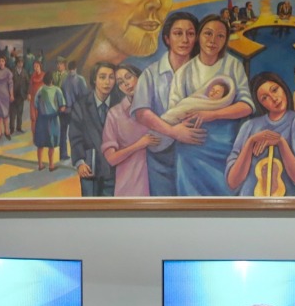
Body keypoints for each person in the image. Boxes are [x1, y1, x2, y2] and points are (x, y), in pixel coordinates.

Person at [166, 14, 254, 196]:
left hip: (225, 146)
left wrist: (213, 114)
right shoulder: (184, 72)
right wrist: (180, 130)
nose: (213, 40)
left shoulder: (233, 65)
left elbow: (247, 106)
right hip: (191, 147)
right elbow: (174, 113)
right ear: (199, 36)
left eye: (220, 36)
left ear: (225, 40)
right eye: (208, 33)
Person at [131, 11, 200, 197]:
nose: (184, 40)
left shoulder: (203, 72)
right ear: (167, 39)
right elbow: (142, 113)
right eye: (178, 33)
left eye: (190, 34)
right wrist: (174, 132)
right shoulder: (151, 73)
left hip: (196, 149)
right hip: (161, 152)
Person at [225, 73, 295, 196]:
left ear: (282, 87)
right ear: (260, 104)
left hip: (284, 201)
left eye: (275, 90)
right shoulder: (249, 126)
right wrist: (250, 142)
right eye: (265, 98)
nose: (274, 98)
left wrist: (280, 142)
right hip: (248, 199)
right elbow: (232, 182)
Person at [101, 64, 157, 197]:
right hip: (129, 184)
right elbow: (111, 158)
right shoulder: (115, 114)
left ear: (139, 77)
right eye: (120, 82)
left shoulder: (156, 105)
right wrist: (139, 145)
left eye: (128, 77)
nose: (126, 84)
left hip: (158, 180)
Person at [70, 60, 122, 197]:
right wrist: (80, 162)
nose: (107, 82)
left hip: (114, 170)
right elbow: (75, 138)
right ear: (94, 79)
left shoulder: (121, 104)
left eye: (111, 77)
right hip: (90, 168)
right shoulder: (81, 106)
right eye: (102, 77)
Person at [33, 71, 65, 172]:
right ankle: (51, 165)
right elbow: (62, 106)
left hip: (42, 119)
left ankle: (40, 164)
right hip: (53, 119)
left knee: (40, 143)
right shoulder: (57, 90)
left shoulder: (40, 90)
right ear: (52, 80)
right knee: (52, 143)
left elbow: (35, 104)